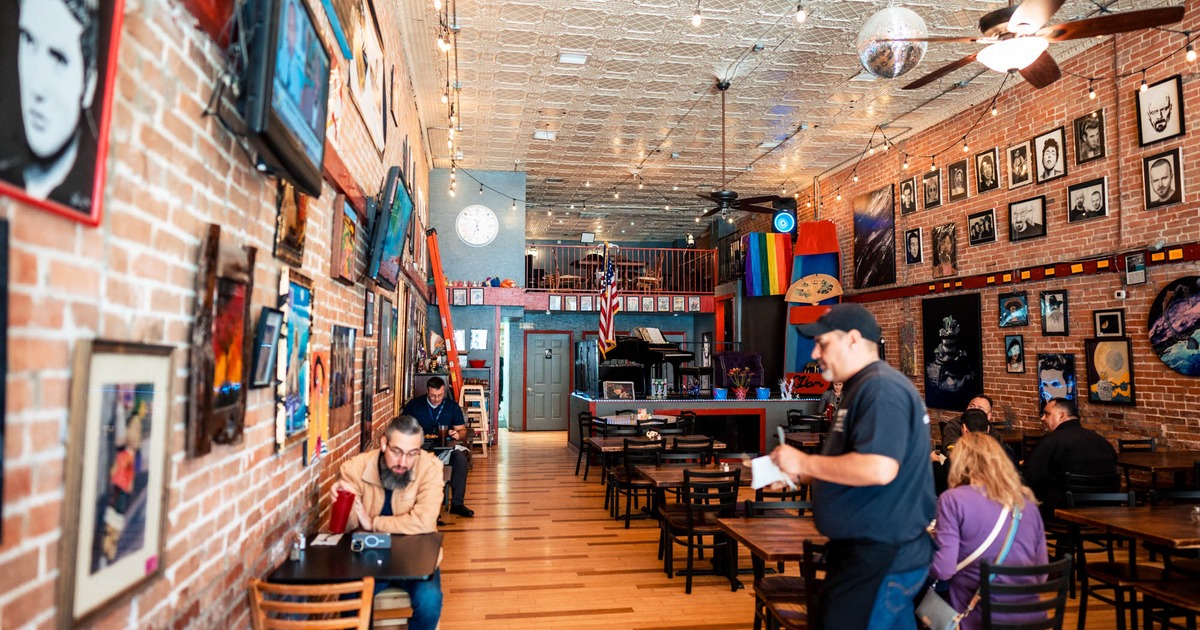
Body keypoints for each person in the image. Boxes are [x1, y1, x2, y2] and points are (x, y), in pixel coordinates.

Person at [771, 304, 935, 628]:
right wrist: (801, 472)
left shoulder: (881, 388)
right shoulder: (861, 387)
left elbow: (879, 468)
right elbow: (855, 461)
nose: (815, 352)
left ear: (853, 340)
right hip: (867, 554)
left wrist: (804, 460)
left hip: (881, 556)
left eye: (823, 342)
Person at [332, 415, 444, 629]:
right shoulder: (356, 468)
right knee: (350, 601)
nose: (403, 462)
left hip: (416, 557)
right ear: (384, 443)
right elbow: (345, 529)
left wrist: (372, 522)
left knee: (430, 603)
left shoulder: (430, 468)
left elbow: (424, 522)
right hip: (367, 557)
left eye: (412, 454)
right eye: (397, 452)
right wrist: (341, 504)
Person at [929, 433, 1048, 630]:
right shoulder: (1026, 503)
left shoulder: (952, 499)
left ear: (959, 463)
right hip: (1030, 617)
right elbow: (1041, 572)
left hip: (977, 617)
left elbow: (943, 570)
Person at [0, 0, 100, 212]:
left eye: (58, 59)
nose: (37, 85)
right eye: (29, 40)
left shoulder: (84, 193)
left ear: (88, 85)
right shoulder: (7, 170)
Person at [1023, 398, 1118, 521]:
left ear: (1062, 415)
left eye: (1047, 414)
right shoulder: (1102, 442)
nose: (1042, 418)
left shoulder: (1051, 441)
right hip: (1105, 511)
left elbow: (1030, 476)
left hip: (1061, 511)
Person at [402, 376, 474, 517]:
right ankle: (427, 506)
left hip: (444, 449)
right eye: (433, 396)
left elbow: (463, 431)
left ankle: (457, 504)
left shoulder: (451, 406)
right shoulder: (415, 405)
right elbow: (403, 427)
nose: (436, 399)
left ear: (444, 391)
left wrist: (458, 435)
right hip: (420, 450)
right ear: (427, 391)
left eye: (440, 395)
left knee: (460, 459)